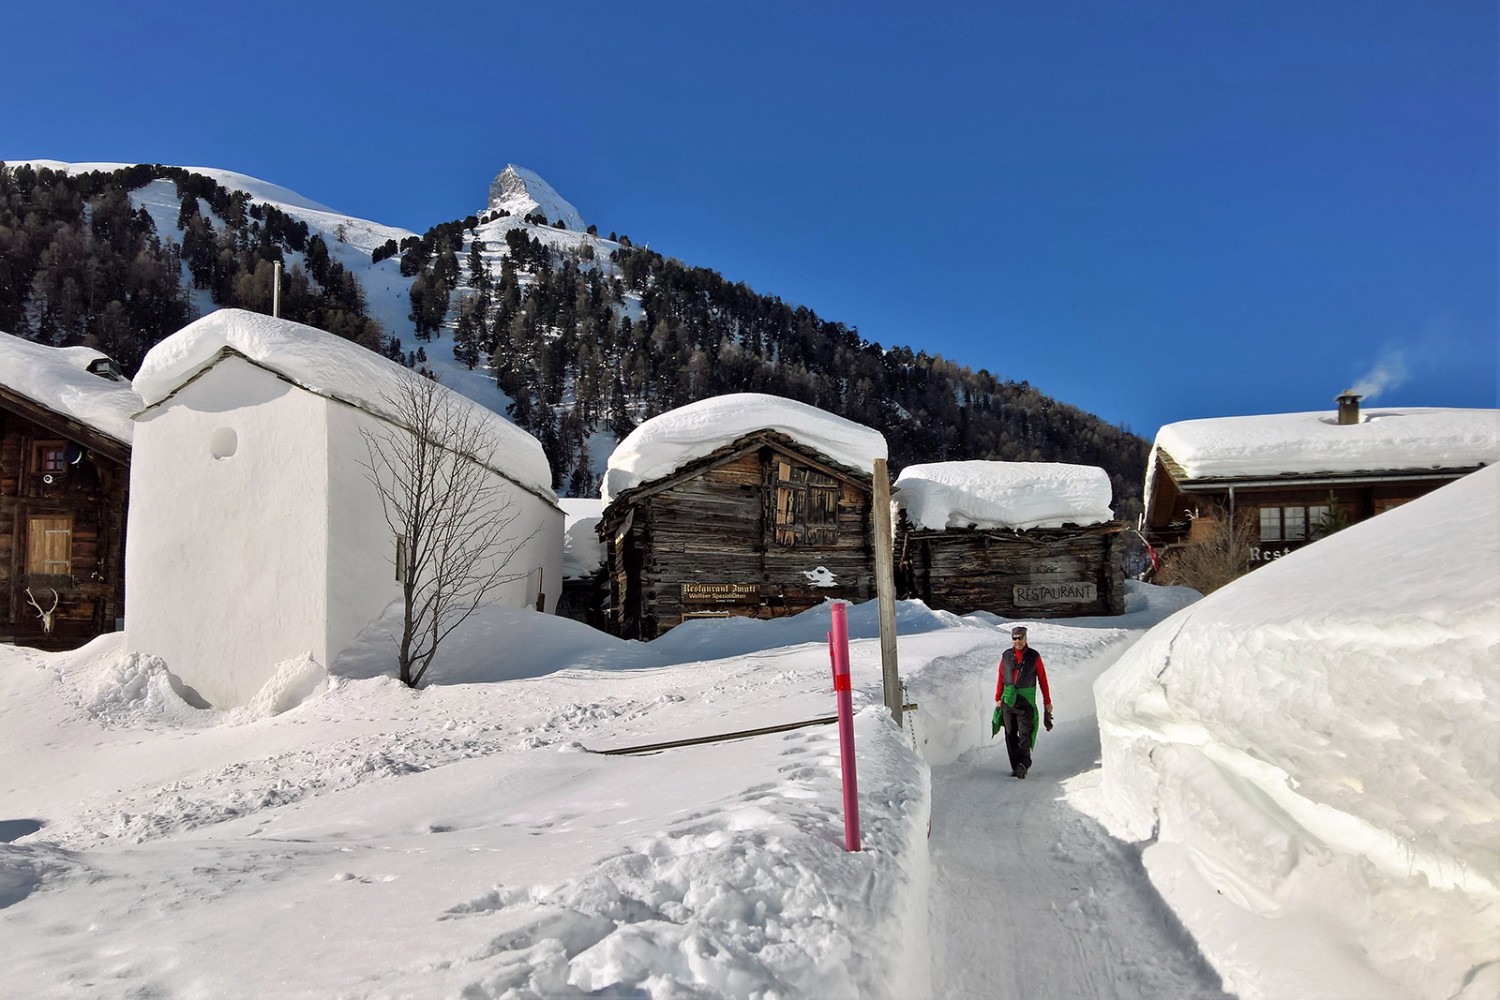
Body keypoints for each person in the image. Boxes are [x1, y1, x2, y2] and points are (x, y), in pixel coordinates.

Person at [995, 625, 1053, 779]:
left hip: (1025, 702)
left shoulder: (1034, 656)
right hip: (1008, 700)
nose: (1017, 641)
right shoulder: (1006, 656)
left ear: (1026, 638)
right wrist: (998, 698)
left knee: (1024, 734)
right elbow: (1001, 676)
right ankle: (1016, 766)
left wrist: (1047, 701)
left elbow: (1042, 679)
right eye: (1014, 638)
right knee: (1009, 734)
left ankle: (1024, 763)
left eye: (1020, 638)